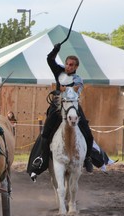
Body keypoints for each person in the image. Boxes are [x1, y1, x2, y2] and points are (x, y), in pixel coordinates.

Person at [29, 43, 94, 180]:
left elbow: (75, 92)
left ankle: (87, 158)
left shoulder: (78, 79)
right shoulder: (59, 71)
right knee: (45, 132)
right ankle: (41, 158)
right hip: (57, 107)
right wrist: (55, 50)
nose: (68, 66)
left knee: (87, 132)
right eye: (67, 64)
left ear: (76, 67)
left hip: (72, 106)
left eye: (71, 65)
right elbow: (50, 60)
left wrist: (65, 90)